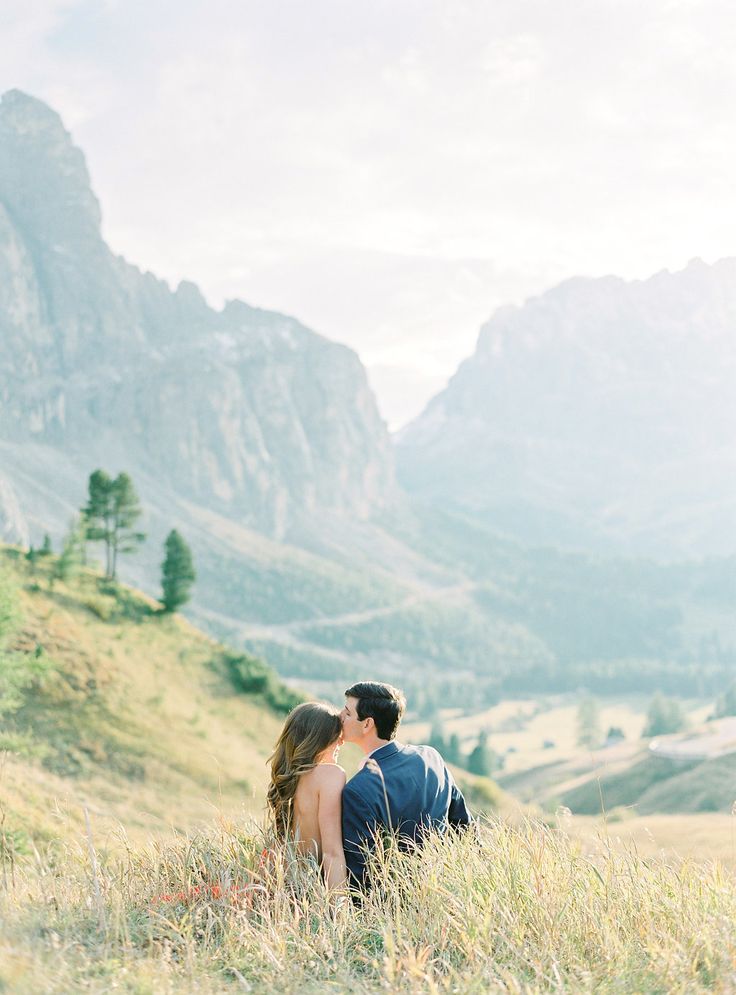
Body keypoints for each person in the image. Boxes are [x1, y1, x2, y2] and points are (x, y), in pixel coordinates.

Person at [340, 681, 472, 889]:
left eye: (347, 713)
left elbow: (360, 873)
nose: (340, 716)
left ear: (367, 724)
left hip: (398, 904)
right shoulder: (431, 757)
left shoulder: (358, 790)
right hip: (448, 889)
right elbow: (464, 827)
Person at [266, 701, 347, 890]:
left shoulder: (289, 779)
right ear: (319, 739)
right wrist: (339, 910)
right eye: (337, 734)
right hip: (312, 888)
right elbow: (332, 852)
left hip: (284, 884)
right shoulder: (331, 775)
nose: (342, 741)